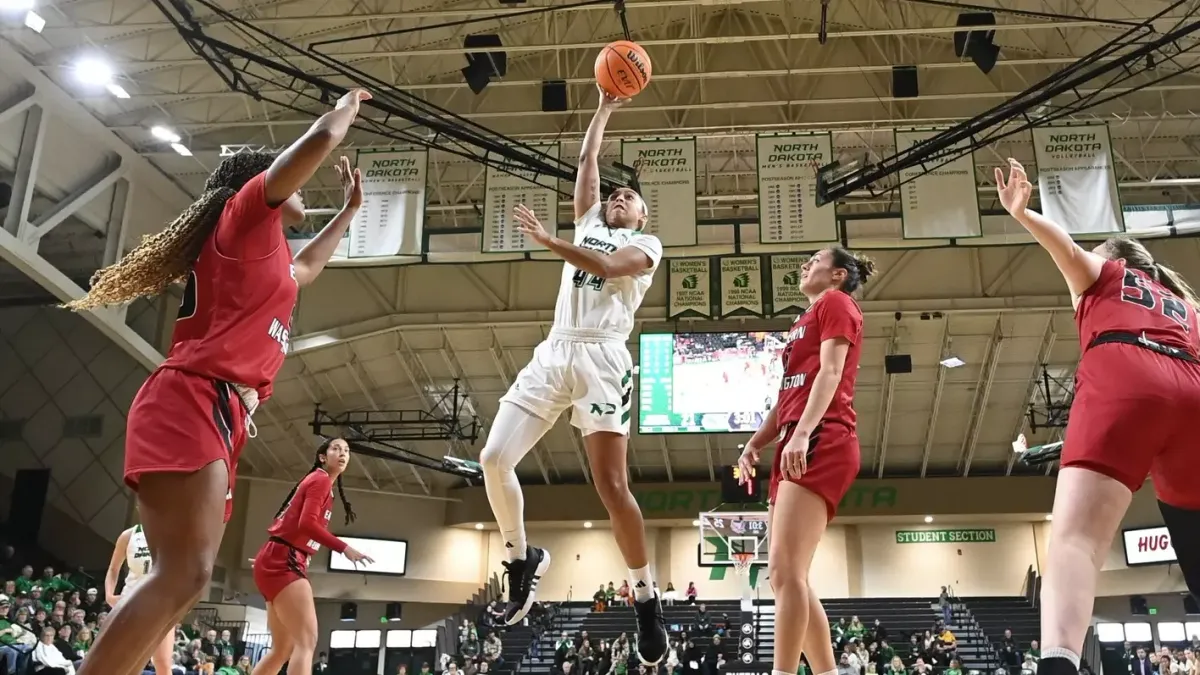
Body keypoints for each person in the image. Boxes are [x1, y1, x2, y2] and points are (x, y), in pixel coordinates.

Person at [65, 87, 374, 675]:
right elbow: (314, 144)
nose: (301, 190)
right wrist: (341, 116)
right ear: (262, 185)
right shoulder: (243, 216)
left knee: (186, 583)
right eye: (292, 184)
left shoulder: (272, 251)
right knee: (183, 573)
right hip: (191, 396)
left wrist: (349, 214)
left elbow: (305, 269)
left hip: (217, 407)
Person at [477, 84, 668, 664]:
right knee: (493, 459)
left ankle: (645, 596)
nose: (619, 195)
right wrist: (606, 106)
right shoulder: (588, 219)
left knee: (612, 488)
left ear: (641, 216)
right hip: (556, 350)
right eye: (615, 193)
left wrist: (549, 241)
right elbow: (587, 161)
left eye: (630, 197)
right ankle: (520, 560)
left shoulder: (648, 246)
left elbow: (608, 266)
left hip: (604, 359)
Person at [995, 158, 1200, 675]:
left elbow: (1064, 248)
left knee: (1077, 540)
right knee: (1192, 531)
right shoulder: (1187, 308)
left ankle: (1059, 666)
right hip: (1194, 389)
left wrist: (1024, 214)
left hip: (1127, 374)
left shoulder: (1109, 274)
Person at [737, 246, 874, 675]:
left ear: (836, 275)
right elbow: (788, 397)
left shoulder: (837, 303)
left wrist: (801, 434)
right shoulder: (802, 321)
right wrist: (755, 443)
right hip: (798, 438)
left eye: (814, 260)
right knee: (788, 576)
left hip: (823, 437)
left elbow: (830, 374)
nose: (804, 265)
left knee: (783, 571)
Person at [252, 438, 373, 675]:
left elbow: (290, 526)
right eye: (336, 448)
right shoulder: (320, 480)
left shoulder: (318, 481)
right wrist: (343, 547)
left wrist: (268, 557)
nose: (343, 453)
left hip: (276, 556)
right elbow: (306, 524)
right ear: (322, 456)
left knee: (282, 648)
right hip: (283, 560)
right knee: (306, 642)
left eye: (347, 450)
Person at [105, 521, 175, 675]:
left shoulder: (172, 533)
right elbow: (113, 569)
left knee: (163, 664)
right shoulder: (128, 535)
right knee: (128, 662)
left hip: (160, 605)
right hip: (131, 603)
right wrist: (109, 595)